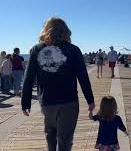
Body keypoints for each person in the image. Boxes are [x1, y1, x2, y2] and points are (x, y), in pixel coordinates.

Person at [21, 17, 95, 151]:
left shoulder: (36, 50)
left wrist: (25, 102)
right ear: (65, 31)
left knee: (51, 134)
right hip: (69, 101)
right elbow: (83, 77)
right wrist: (90, 100)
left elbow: (28, 78)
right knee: (65, 138)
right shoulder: (73, 50)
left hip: (47, 101)